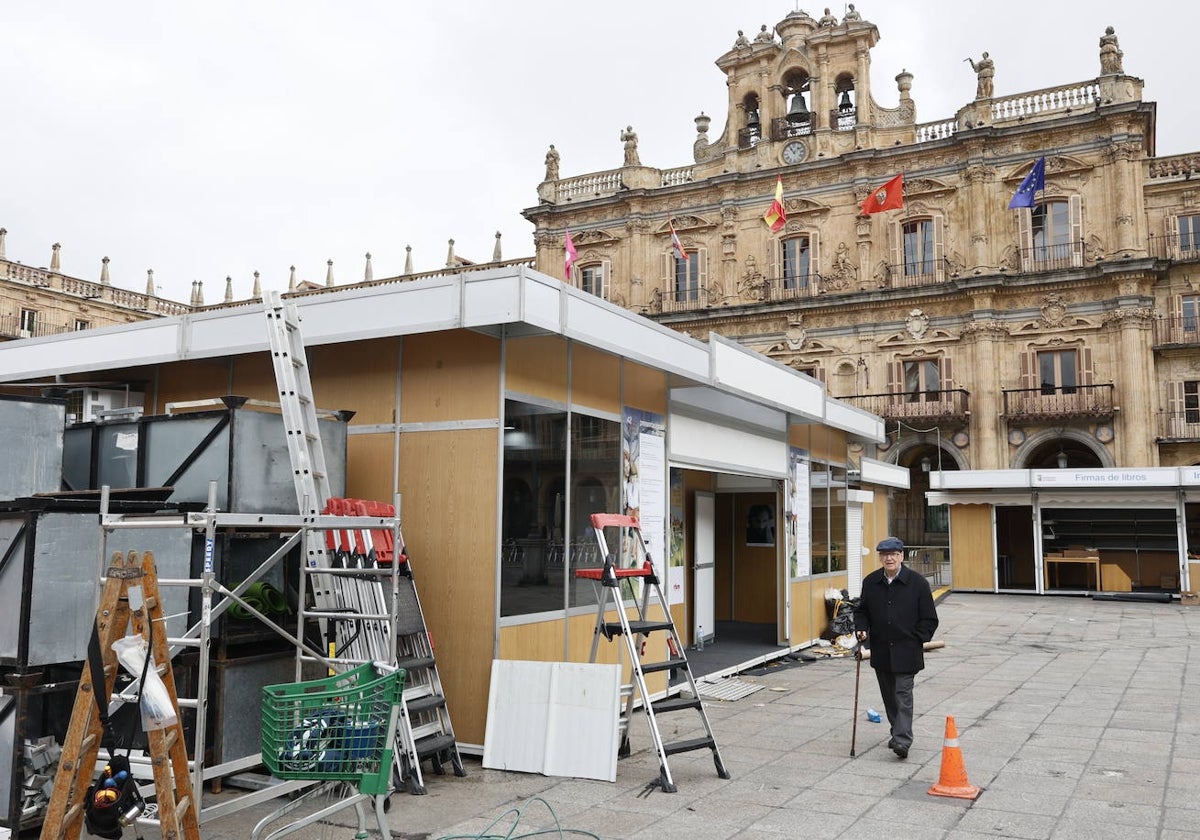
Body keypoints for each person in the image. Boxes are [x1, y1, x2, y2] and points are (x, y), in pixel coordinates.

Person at [853, 536, 939, 759]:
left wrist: (917, 639)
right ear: (880, 557)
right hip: (881, 649)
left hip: (907, 651)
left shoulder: (918, 583)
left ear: (902, 556)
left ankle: (902, 740)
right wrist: (861, 629)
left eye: (894, 554)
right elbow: (861, 611)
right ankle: (896, 731)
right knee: (889, 696)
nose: (889, 558)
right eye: (884, 554)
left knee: (902, 694)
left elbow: (929, 619)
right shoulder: (871, 582)